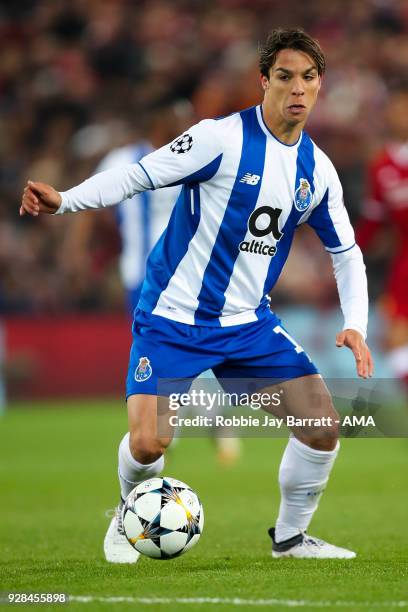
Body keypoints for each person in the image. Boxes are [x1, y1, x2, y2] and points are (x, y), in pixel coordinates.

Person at [21, 28, 373, 561]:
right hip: (172, 317)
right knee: (148, 444)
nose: (296, 89)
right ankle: (125, 511)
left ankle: (291, 539)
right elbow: (138, 176)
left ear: (320, 86)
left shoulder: (318, 171)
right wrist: (65, 201)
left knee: (322, 427)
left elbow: (346, 253)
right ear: (264, 82)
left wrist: (357, 323)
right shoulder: (220, 139)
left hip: (247, 324)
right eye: (284, 77)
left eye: (307, 78)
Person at [357, 82, 408, 393]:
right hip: (404, 265)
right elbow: (372, 226)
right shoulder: (382, 166)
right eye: (397, 108)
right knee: (396, 342)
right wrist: (344, 254)